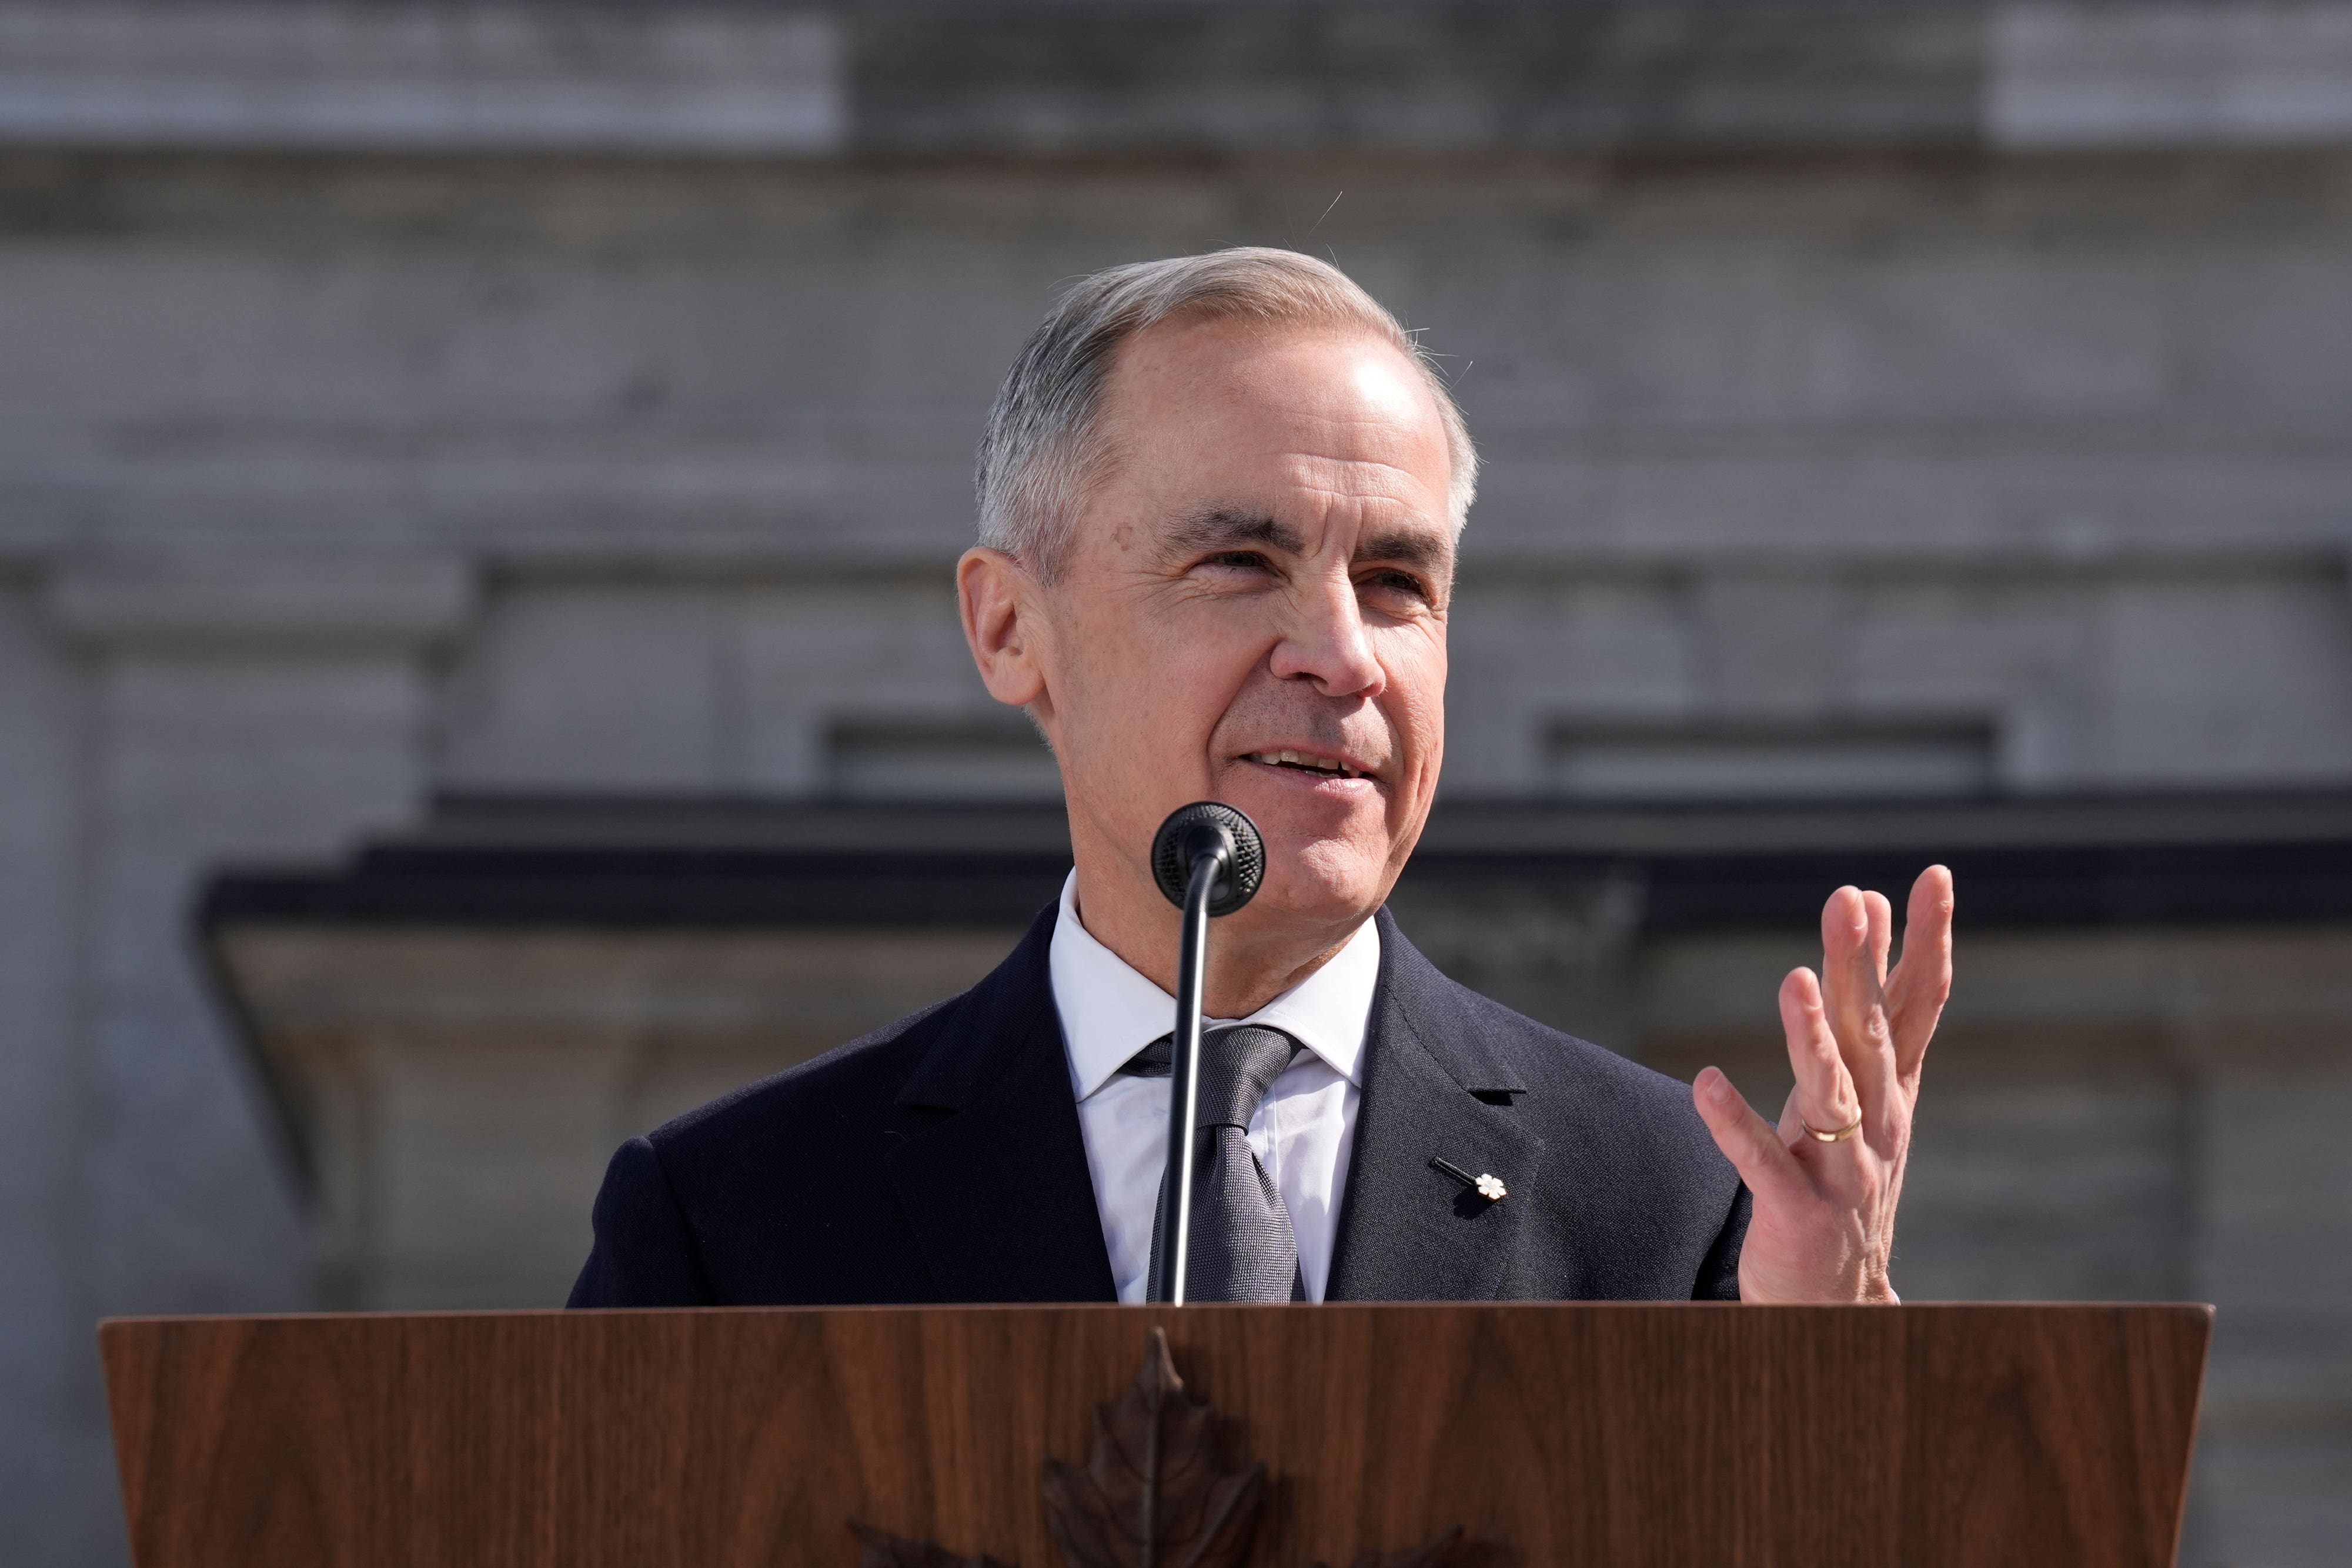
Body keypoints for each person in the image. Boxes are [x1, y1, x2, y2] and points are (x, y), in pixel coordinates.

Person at [567, 249, 1953, 1309]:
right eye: (1239, 562)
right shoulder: (732, 1216)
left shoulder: (1673, 1202)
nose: (1342, 656)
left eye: (1396, 580)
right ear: (1008, 628)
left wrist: (1822, 1388)